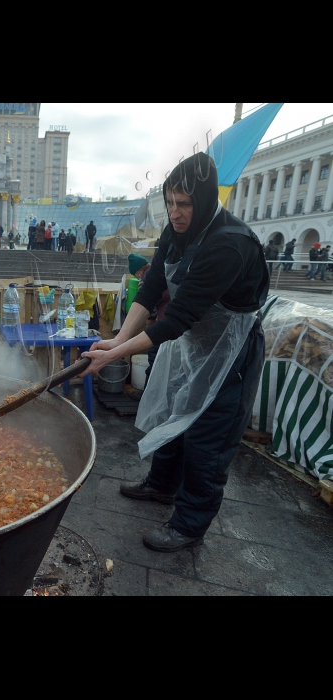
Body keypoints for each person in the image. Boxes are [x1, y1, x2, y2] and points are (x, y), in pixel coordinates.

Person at [79, 152, 269, 553]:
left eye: (184, 204)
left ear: (203, 201)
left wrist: (114, 357)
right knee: (170, 409)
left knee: (208, 441)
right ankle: (162, 485)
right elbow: (151, 292)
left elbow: (176, 318)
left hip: (230, 353)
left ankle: (189, 524)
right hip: (192, 345)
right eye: (169, 202)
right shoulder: (174, 231)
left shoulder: (229, 244)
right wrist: (117, 340)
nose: (175, 212)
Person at [127, 253, 171, 383]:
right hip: (173, 321)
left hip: (166, 322)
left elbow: (148, 305)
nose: (137, 277)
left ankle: (146, 396)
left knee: (154, 357)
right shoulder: (160, 271)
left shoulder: (147, 278)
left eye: (135, 274)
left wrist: (148, 326)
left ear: (138, 271)